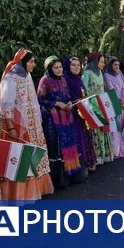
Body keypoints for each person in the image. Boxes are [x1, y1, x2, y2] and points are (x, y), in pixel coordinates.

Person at [0, 48, 54, 200]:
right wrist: (11, 128)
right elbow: (6, 106)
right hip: (17, 126)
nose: (34, 65)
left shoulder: (26, 76)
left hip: (31, 123)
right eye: (31, 61)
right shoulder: (10, 78)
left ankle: (33, 191)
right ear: (22, 62)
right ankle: (18, 194)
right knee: (18, 158)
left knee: (31, 155)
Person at [37, 56, 85, 188]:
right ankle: (58, 180)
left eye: (60, 67)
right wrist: (57, 103)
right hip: (52, 120)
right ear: (49, 68)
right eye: (55, 67)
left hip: (66, 117)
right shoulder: (45, 80)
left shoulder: (63, 80)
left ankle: (71, 175)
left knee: (69, 144)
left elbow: (67, 95)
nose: (58, 70)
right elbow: (40, 100)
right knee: (56, 146)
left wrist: (69, 102)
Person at [63, 55, 98, 172]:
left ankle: (88, 162)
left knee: (86, 136)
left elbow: (83, 93)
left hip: (82, 111)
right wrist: (74, 102)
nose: (76, 67)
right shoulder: (65, 78)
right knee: (78, 137)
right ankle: (80, 166)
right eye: (73, 65)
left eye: (78, 65)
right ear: (67, 66)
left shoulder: (78, 78)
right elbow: (65, 96)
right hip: (72, 113)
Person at [82, 51, 113, 165]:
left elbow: (102, 89)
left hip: (101, 104)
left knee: (103, 130)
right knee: (95, 131)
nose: (103, 64)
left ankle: (104, 155)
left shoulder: (100, 72)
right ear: (95, 62)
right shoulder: (87, 73)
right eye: (101, 62)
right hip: (92, 105)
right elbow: (84, 89)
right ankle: (97, 156)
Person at [103, 56, 124, 158]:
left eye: (118, 65)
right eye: (115, 65)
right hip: (112, 104)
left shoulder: (118, 75)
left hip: (122, 103)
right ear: (110, 65)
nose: (117, 67)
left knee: (123, 125)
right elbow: (110, 90)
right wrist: (120, 101)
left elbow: (123, 88)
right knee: (114, 128)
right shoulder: (106, 75)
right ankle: (115, 150)